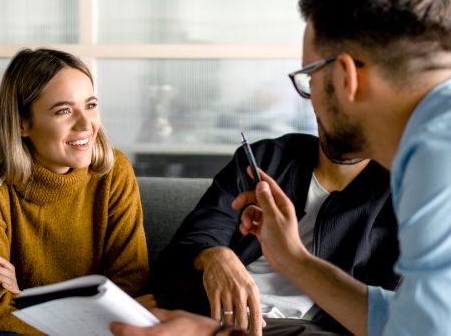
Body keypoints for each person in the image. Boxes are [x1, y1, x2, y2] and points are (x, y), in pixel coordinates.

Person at [110, 0, 451, 335]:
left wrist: (212, 334)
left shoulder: (435, 158)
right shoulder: (431, 138)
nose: (308, 98)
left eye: (309, 80)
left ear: (345, 77)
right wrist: (292, 259)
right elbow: (408, 321)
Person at [0, 48, 149, 335]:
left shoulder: (114, 172)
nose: (86, 125)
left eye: (90, 105)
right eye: (64, 111)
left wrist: (23, 297)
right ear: (23, 123)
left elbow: (131, 282)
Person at [152, 133, 399, 336]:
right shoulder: (267, 158)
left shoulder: (400, 191)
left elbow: (398, 311)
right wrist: (214, 255)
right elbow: (193, 239)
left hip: (306, 329)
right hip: (216, 315)